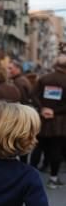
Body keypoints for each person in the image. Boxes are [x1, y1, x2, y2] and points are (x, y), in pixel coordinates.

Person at [32, 54, 66, 189]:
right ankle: (53, 178)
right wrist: (55, 111)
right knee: (56, 149)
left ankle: (30, 175)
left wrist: (42, 108)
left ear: (55, 65)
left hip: (43, 120)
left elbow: (33, 95)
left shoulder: (44, 79)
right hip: (60, 123)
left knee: (37, 146)